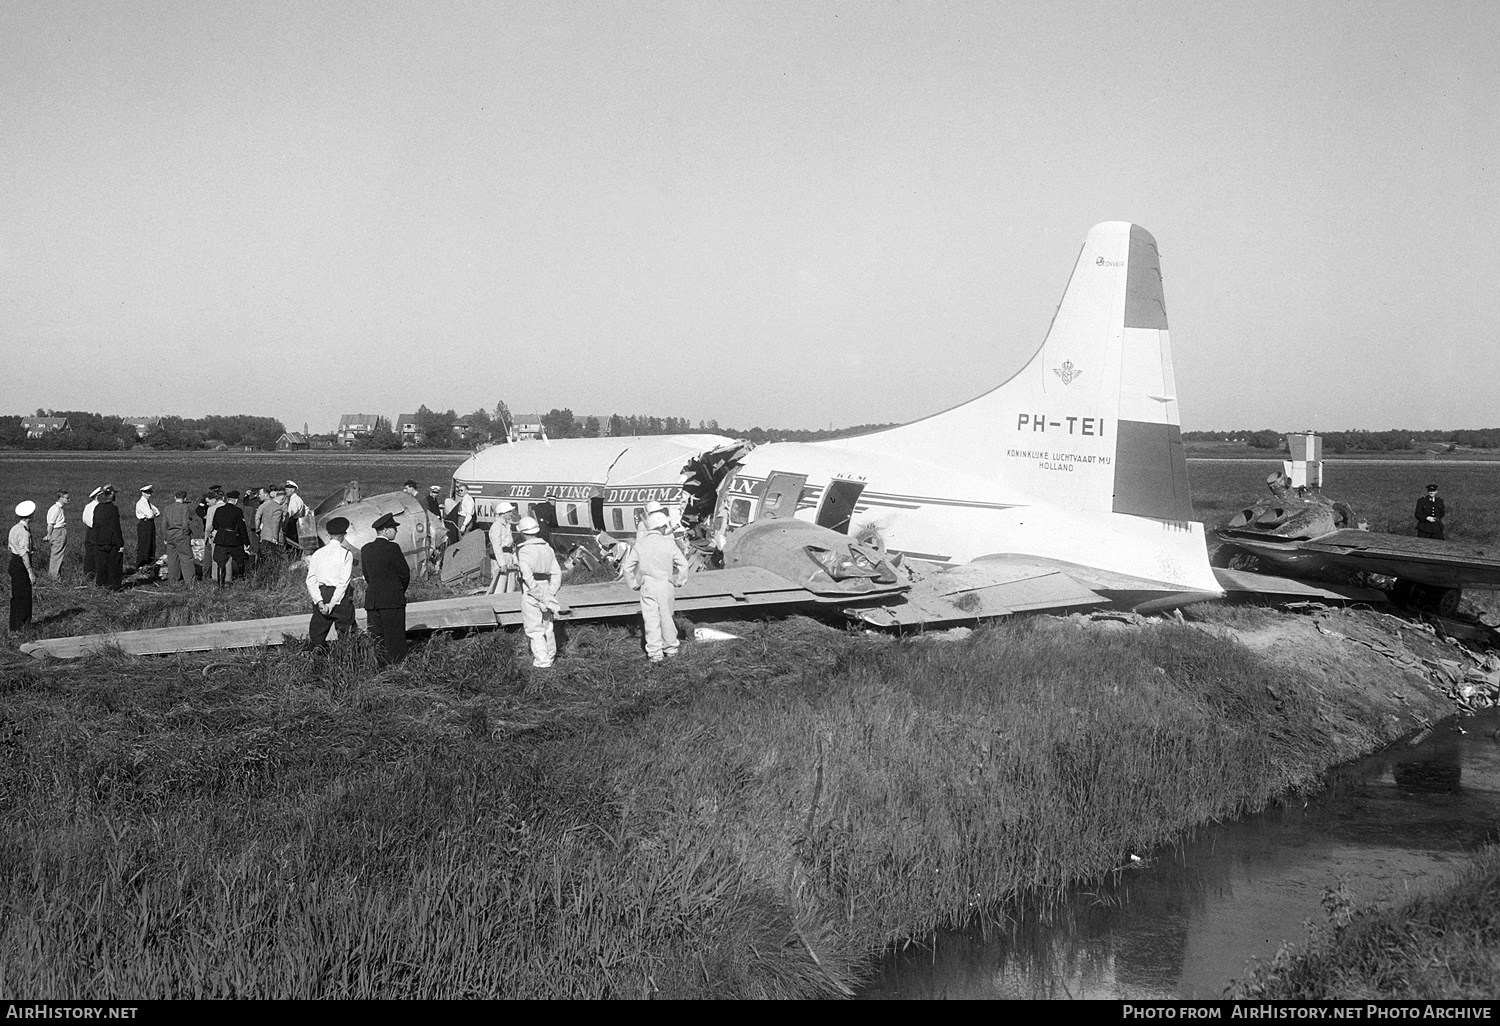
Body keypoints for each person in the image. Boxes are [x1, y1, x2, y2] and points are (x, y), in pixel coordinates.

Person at [622, 508, 689, 663]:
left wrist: (634, 584)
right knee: (666, 618)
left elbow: (627, 568)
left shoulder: (640, 545)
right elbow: (683, 565)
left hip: (647, 586)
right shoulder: (669, 544)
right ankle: (671, 650)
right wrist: (678, 581)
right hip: (665, 585)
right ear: (661, 527)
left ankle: (655, 654)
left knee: (651, 621)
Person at [361, 512, 411, 667]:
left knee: (378, 638)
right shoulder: (393, 548)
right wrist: (397, 591)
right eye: (394, 528)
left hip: (373, 601)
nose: (396, 531)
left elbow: (367, 575)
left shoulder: (366, 549)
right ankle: (397, 669)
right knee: (395, 639)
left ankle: (380, 669)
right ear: (385, 530)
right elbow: (404, 574)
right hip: (392, 600)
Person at [515, 516, 561, 668]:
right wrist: (551, 592)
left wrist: (538, 594)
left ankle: (542, 660)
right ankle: (551, 655)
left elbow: (527, 576)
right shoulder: (547, 548)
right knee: (548, 625)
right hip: (546, 586)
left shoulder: (524, 550)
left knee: (534, 627)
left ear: (522, 533)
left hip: (531, 590)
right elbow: (556, 572)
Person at [306, 516, 356, 653]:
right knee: (347, 633)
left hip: (321, 593)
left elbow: (310, 580)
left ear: (328, 535)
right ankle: (347, 660)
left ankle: (317, 659)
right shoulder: (346, 554)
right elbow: (343, 582)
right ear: (344, 535)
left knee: (317, 633)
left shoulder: (317, 553)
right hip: (339, 597)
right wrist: (332, 604)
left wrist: (319, 601)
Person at [209, 490, 250, 586]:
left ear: (227, 500)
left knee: (220, 562)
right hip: (234, 540)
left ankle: (220, 583)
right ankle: (241, 580)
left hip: (221, 538)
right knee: (240, 560)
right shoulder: (238, 511)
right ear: (236, 500)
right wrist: (246, 542)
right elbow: (242, 527)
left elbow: (215, 525)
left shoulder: (219, 510)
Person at [91, 486, 125, 591]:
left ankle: (100, 584)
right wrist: (120, 543)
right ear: (111, 495)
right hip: (111, 541)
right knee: (113, 565)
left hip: (99, 540)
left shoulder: (97, 508)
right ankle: (113, 586)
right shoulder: (113, 509)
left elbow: (95, 524)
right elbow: (116, 527)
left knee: (101, 564)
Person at [9, 501, 36, 631]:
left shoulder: (14, 528)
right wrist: (30, 572)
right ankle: (23, 626)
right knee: (24, 597)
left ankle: (14, 625)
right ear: (30, 516)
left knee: (16, 596)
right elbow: (24, 553)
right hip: (21, 565)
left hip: (14, 562)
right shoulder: (24, 532)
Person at [161, 490, 196, 586]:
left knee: (172, 559)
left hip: (170, 535)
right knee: (186, 557)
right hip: (181, 534)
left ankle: (173, 580)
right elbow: (185, 522)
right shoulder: (184, 507)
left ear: (174, 497)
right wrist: (186, 532)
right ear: (185, 499)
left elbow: (164, 524)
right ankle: (190, 581)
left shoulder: (167, 508)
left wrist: (165, 537)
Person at [488, 501, 520, 593]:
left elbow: (511, 546)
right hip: (501, 558)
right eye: (509, 512)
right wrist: (502, 563)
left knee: (511, 587)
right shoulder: (497, 526)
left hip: (509, 556)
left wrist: (516, 561)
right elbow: (496, 546)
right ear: (503, 513)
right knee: (499, 587)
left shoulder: (507, 526)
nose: (511, 514)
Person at [255, 487, 288, 562]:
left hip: (264, 535)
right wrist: (275, 538)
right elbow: (275, 524)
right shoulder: (278, 509)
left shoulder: (267, 505)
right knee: (274, 559)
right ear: (283, 499)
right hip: (271, 538)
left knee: (263, 558)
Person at [134, 485, 161, 569]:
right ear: (143, 493)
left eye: (150, 493)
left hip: (150, 523)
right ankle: (141, 564)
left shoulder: (148, 503)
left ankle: (149, 562)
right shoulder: (141, 503)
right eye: (147, 493)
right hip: (144, 524)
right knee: (144, 544)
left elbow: (158, 512)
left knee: (151, 543)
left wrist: (153, 513)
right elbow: (150, 515)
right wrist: (153, 513)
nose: (149, 495)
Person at [44, 490, 69, 580]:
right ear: (60, 498)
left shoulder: (60, 508)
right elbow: (51, 524)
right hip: (58, 531)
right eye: (66, 498)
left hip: (60, 530)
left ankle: (56, 575)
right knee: (56, 554)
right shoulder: (56, 509)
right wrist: (49, 535)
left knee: (58, 553)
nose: (68, 500)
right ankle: (53, 577)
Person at [81, 486, 102, 578]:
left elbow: (84, 519)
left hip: (89, 530)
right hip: (97, 531)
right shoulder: (99, 507)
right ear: (97, 496)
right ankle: (97, 572)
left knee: (89, 553)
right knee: (97, 552)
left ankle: (88, 573)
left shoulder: (87, 506)